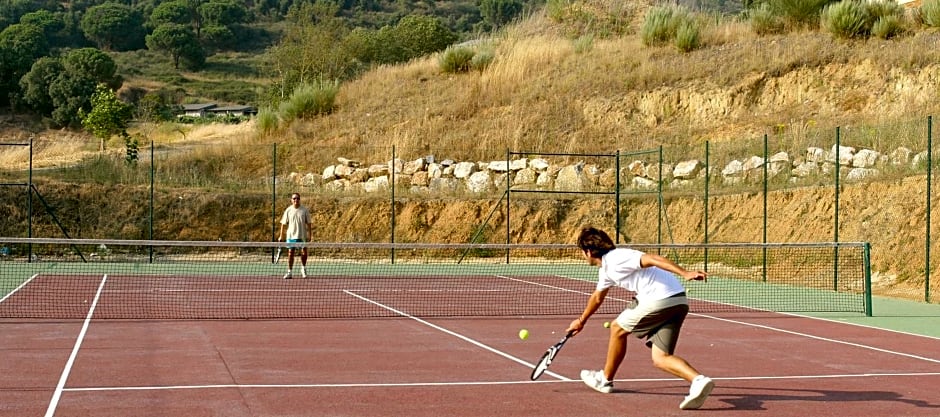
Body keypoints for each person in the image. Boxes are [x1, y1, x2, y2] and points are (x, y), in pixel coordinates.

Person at [567, 226, 714, 410]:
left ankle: (605, 380)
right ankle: (699, 380)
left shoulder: (616, 257)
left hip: (660, 298)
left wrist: (685, 273)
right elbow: (598, 297)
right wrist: (581, 321)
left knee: (616, 328)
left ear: (588, 252)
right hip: (678, 301)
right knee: (660, 358)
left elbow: (652, 258)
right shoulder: (606, 270)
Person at [278, 192, 312, 279]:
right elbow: (283, 224)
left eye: (297, 198)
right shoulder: (288, 210)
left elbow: (309, 224)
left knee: (304, 253)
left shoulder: (304, 210)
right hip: (291, 236)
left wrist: (310, 235)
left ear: (299, 200)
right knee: (290, 253)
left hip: (302, 236)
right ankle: (289, 272)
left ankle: (303, 268)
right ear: (291, 200)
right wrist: (281, 236)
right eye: (294, 198)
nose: (296, 200)